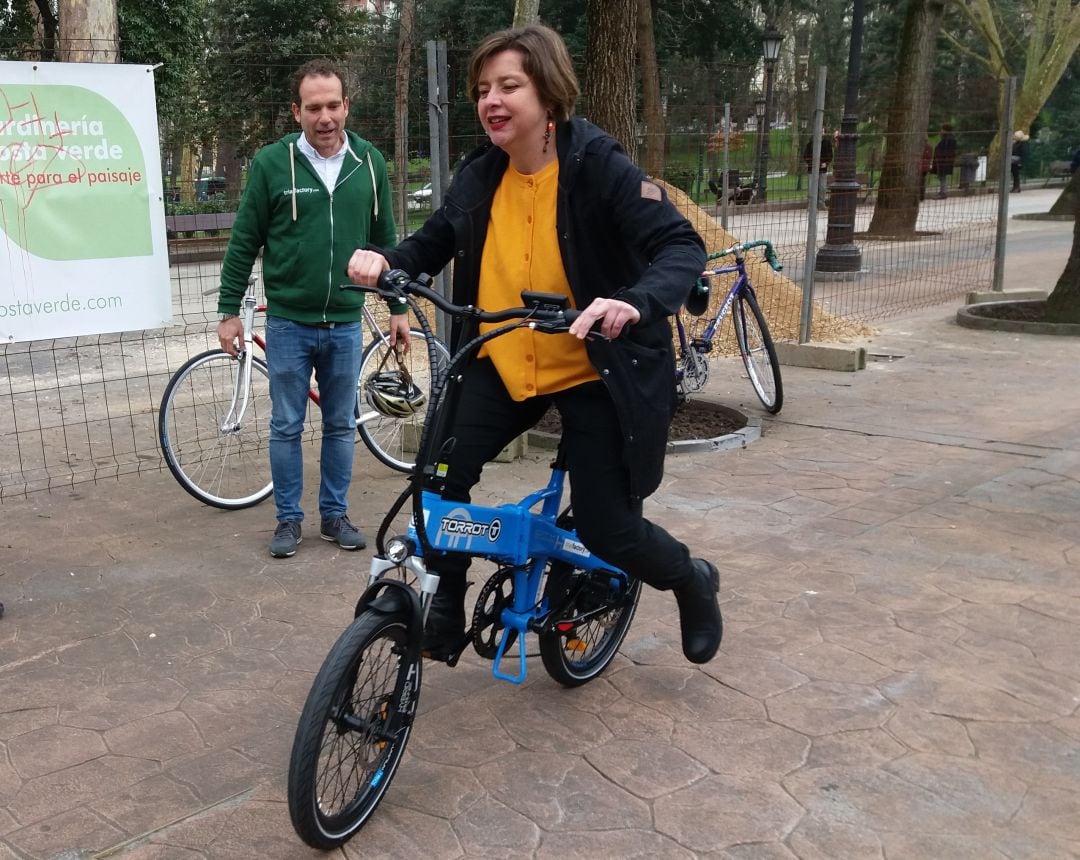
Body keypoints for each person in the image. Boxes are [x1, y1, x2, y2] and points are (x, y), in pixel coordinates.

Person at [347, 24, 723, 665]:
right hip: (503, 359)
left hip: (593, 369)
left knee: (609, 527)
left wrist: (631, 301)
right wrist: (388, 262)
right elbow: (434, 240)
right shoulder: (482, 175)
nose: (490, 100)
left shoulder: (597, 165)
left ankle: (690, 578)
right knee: (436, 480)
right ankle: (445, 598)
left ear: (547, 96)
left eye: (508, 86)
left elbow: (681, 246)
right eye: (482, 89)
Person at [217, 59, 409, 559]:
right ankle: (288, 520)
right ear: (296, 112)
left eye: (333, 105)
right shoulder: (271, 164)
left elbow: (386, 243)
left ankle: (334, 515)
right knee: (285, 425)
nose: (325, 117)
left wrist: (398, 308)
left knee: (341, 423)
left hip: (345, 322)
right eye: (314, 107)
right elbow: (243, 242)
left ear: (346, 106)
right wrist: (228, 311)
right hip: (289, 322)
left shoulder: (368, 164)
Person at [802, 133, 833, 209]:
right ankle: (811, 205)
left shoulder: (827, 143)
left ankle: (821, 203)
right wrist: (811, 163)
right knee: (811, 188)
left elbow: (830, 155)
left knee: (822, 187)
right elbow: (806, 156)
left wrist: (826, 163)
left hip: (822, 169)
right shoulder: (810, 143)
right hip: (812, 169)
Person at [931, 124, 957, 199]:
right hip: (944, 161)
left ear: (945, 130)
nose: (940, 131)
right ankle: (942, 192)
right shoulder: (949, 138)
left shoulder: (947, 139)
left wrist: (941, 159)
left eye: (942, 129)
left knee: (942, 177)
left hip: (943, 162)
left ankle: (943, 192)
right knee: (942, 177)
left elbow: (944, 151)